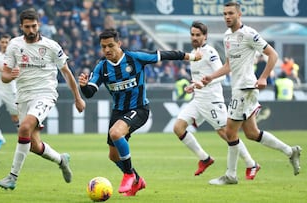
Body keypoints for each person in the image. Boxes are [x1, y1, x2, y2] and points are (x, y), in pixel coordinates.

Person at [78, 28, 201, 196]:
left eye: (110, 45)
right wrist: (83, 86)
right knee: (113, 156)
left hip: (139, 109)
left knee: (115, 133)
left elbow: (164, 55)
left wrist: (192, 56)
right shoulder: (102, 67)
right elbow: (90, 92)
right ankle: (137, 179)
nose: (107, 50)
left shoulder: (135, 58)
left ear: (119, 44)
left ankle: (129, 175)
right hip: (118, 111)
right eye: (103, 46)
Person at [201, 2, 301, 185]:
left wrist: (263, 77)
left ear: (239, 15)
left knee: (229, 131)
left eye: (230, 13)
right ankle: (290, 151)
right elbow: (228, 66)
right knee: (252, 133)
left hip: (245, 88)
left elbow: (273, 55)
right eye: (224, 14)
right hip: (239, 88)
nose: (227, 17)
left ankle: (231, 175)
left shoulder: (249, 34)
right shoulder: (227, 36)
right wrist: (211, 77)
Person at [0, 9, 86, 190]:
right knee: (34, 145)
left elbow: (66, 73)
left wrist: (78, 98)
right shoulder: (14, 45)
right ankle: (62, 160)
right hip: (23, 97)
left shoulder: (52, 46)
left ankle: (12, 177)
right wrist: (10, 76)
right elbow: (4, 75)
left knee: (24, 127)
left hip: (45, 94)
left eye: (34, 26)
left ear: (39, 25)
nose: (31, 30)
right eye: (27, 27)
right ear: (21, 27)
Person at [173, 21, 259, 179]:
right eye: (192, 34)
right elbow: (200, 78)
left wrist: (203, 83)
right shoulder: (194, 53)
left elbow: (222, 75)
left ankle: (251, 163)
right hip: (198, 100)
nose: (195, 37)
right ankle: (204, 159)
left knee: (227, 134)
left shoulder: (210, 52)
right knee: (178, 127)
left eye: (198, 35)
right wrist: (194, 85)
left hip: (212, 100)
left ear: (205, 36)